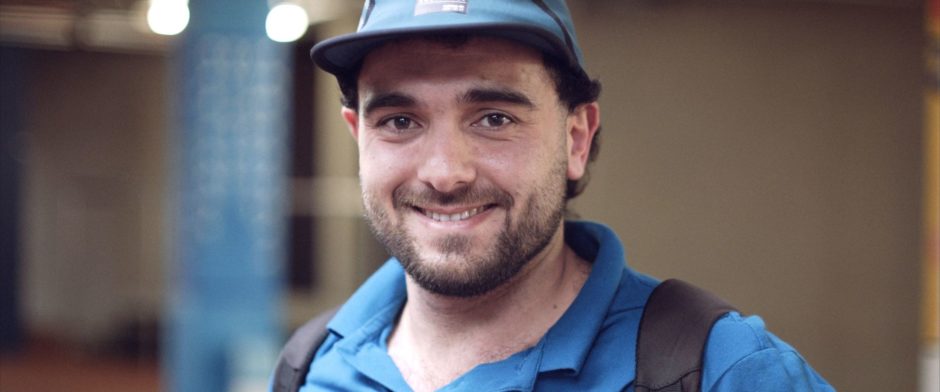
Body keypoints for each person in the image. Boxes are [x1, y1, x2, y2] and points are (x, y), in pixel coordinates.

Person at [283, 0, 835, 390]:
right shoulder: (312, 366)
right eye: (400, 121)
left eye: (494, 118)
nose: (445, 173)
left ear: (576, 139)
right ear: (359, 137)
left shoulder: (718, 371)